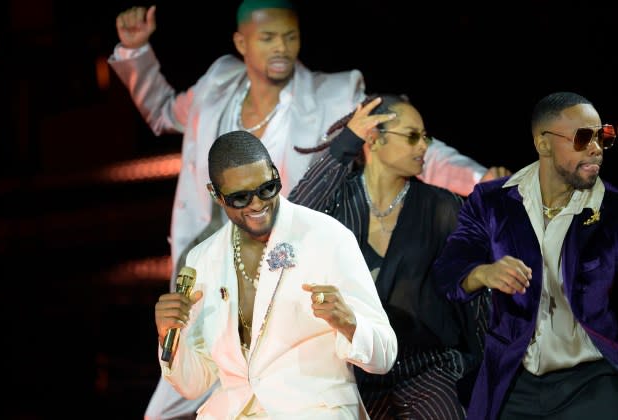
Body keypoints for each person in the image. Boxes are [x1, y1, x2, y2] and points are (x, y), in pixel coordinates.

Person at [108, 1, 505, 416]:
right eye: (267, 38)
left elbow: (402, 138)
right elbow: (161, 111)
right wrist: (135, 51)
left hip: (289, 266)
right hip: (219, 265)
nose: (281, 47)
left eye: (290, 36)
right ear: (241, 43)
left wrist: (478, 180)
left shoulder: (332, 95)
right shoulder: (216, 87)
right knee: (180, 396)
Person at [153, 129, 397, 419]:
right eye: (240, 198)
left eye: (267, 188)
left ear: (274, 174)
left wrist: (350, 324)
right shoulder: (202, 260)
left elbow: (385, 355)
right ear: (216, 195)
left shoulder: (327, 237)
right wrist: (169, 335)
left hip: (313, 411)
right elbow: (194, 385)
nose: (257, 204)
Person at [289, 94, 488, 419]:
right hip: (349, 371)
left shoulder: (442, 206)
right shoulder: (338, 202)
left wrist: (484, 370)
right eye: (412, 136)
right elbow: (292, 222)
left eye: (426, 137)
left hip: (425, 370)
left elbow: (474, 299)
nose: (423, 146)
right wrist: (345, 145)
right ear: (374, 139)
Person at [432, 91, 618, 420]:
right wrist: (483, 274)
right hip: (513, 379)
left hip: (593, 378)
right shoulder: (492, 202)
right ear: (543, 143)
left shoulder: (612, 210)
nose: (596, 148)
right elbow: (448, 271)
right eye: (583, 137)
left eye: (603, 136)